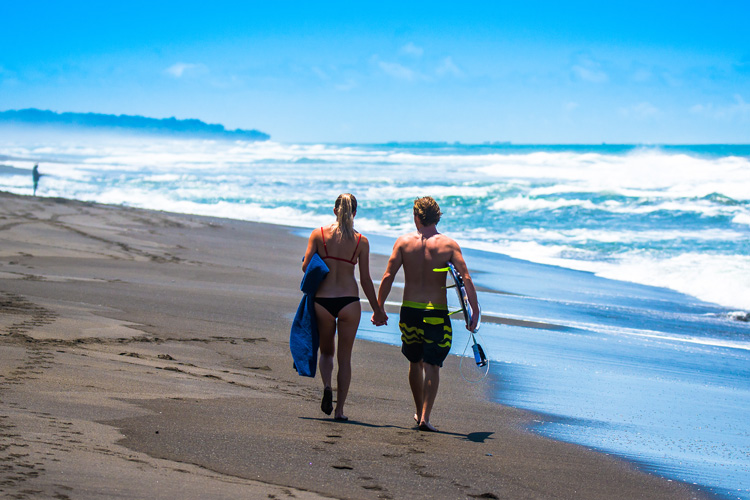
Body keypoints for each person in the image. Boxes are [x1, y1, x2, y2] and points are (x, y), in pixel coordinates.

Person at [374, 196, 479, 432]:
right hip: (436, 313)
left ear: (418, 217)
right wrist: (475, 311)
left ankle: (418, 408)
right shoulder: (449, 245)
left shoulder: (403, 243)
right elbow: (466, 279)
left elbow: (388, 276)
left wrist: (379, 308)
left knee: (414, 361)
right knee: (432, 364)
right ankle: (425, 417)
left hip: (410, 310)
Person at [302, 193, 387, 420]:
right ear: (355, 213)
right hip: (349, 302)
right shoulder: (361, 242)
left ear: (334, 210)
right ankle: (339, 411)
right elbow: (366, 280)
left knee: (327, 352)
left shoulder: (319, 235)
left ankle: (327, 387)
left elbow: (305, 267)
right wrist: (378, 309)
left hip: (323, 301)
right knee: (345, 359)